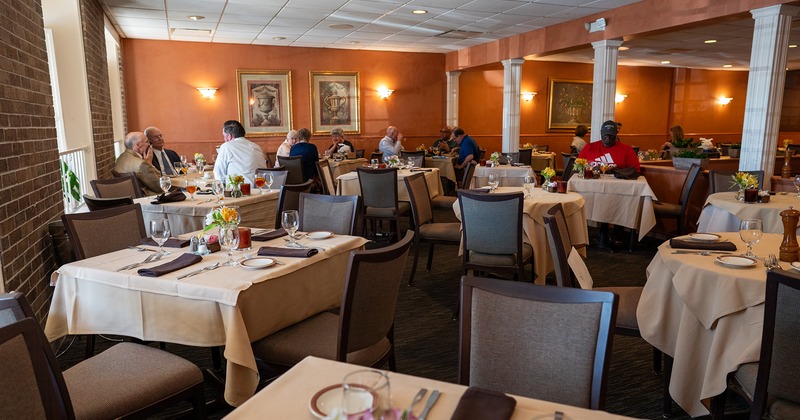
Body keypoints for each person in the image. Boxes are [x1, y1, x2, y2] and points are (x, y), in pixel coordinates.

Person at [214, 120, 265, 186]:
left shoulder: (226, 146)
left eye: (224, 136)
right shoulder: (256, 146)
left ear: (229, 136)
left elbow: (219, 175)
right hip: (261, 190)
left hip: (240, 192)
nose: (224, 139)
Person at [114, 131, 163, 196]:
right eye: (147, 141)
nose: (149, 144)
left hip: (127, 198)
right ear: (138, 145)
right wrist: (149, 164)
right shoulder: (141, 164)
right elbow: (159, 187)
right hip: (147, 199)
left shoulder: (120, 158)